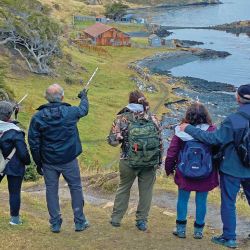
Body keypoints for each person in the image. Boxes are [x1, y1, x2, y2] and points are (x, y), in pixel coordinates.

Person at [180, 84, 250, 248]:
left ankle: (229, 238)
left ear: (238, 98)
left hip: (231, 168)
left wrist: (188, 128)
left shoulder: (232, 120)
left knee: (228, 202)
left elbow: (214, 139)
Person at [28, 84, 89, 233]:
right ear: (62, 97)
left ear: (46, 98)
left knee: (51, 190)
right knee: (75, 188)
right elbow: (83, 110)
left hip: (49, 161)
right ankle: (79, 221)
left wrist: (38, 163)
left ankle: (55, 223)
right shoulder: (71, 112)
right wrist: (84, 97)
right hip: (69, 159)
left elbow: (33, 143)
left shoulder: (38, 117)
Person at [108, 90, 162, 231]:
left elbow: (112, 142)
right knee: (146, 191)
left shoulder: (121, 118)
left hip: (127, 160)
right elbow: (159, 141)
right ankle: (141, 221)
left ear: (130, 101)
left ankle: (116, 218)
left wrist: (119, 138)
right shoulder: (153, 118)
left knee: (124, 188)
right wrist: (159, 162)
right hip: (149, 161)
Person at [165, 103, 219, 239]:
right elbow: (218, 152)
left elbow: (172, 152)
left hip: (185, 171)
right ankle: (198, 231)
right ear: (206, 115)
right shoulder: (212, 130)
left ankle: (181, 229)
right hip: (205, 173)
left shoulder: (180, 130)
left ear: (188, 115)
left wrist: (168, 168)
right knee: (202, 201)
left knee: (182, 199)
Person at [0, 101, 31, 225]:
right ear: (9, 115)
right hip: (15, 165)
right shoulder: (15, 132)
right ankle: (14, 219)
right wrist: (28, 162)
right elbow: (23, 152)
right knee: (14, 192)